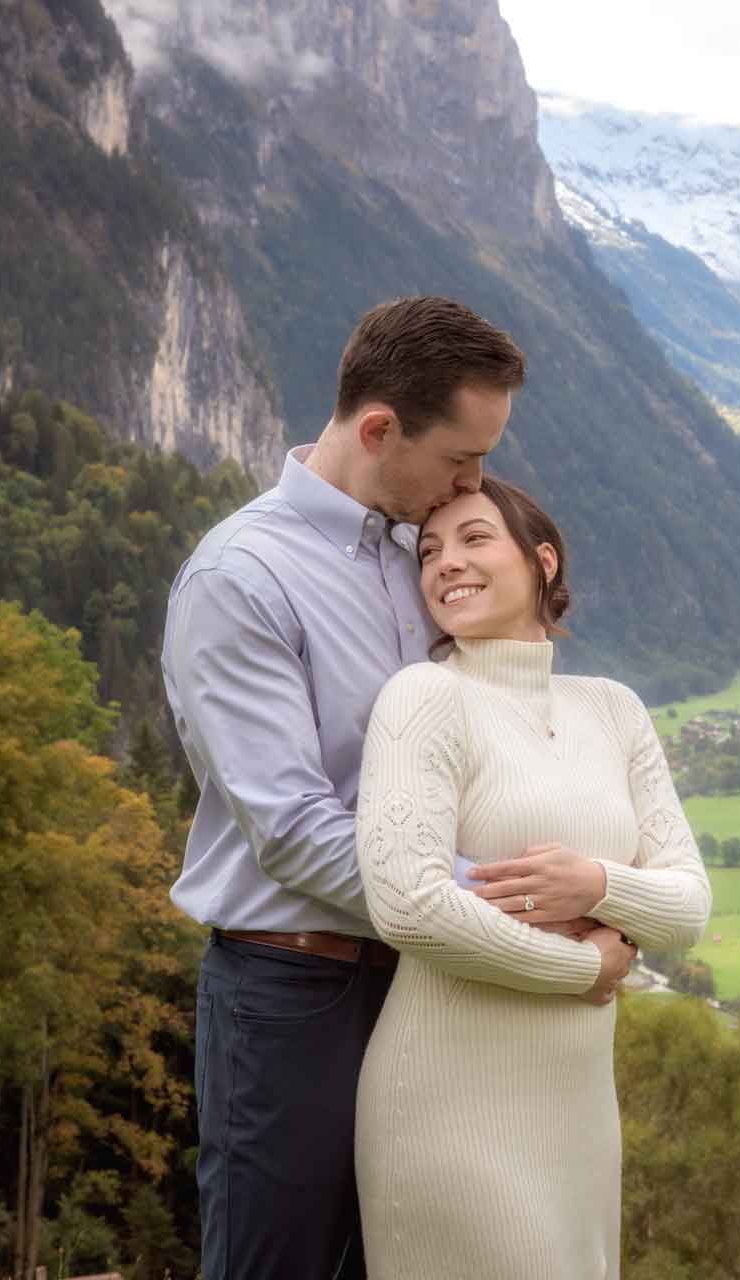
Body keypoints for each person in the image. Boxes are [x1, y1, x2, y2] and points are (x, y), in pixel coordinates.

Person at [162, 296, 531, 1279]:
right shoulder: (241, 576)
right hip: (293, 991)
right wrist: (501, 911)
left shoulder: (426, 557)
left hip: (423, 984)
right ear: (378, 429)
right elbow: (293, 829)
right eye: (460, 459)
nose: (474, 483)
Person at [354, 478, 712, 1278]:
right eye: (431, 551)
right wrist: (583, 965)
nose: (448, 563)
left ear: (541, 560)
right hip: (448, 1099)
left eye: (475, 539)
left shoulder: (614, 709)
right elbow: (408, 906)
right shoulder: (424, 697)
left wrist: (596, 886)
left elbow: (688, 907)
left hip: (579, 1106)